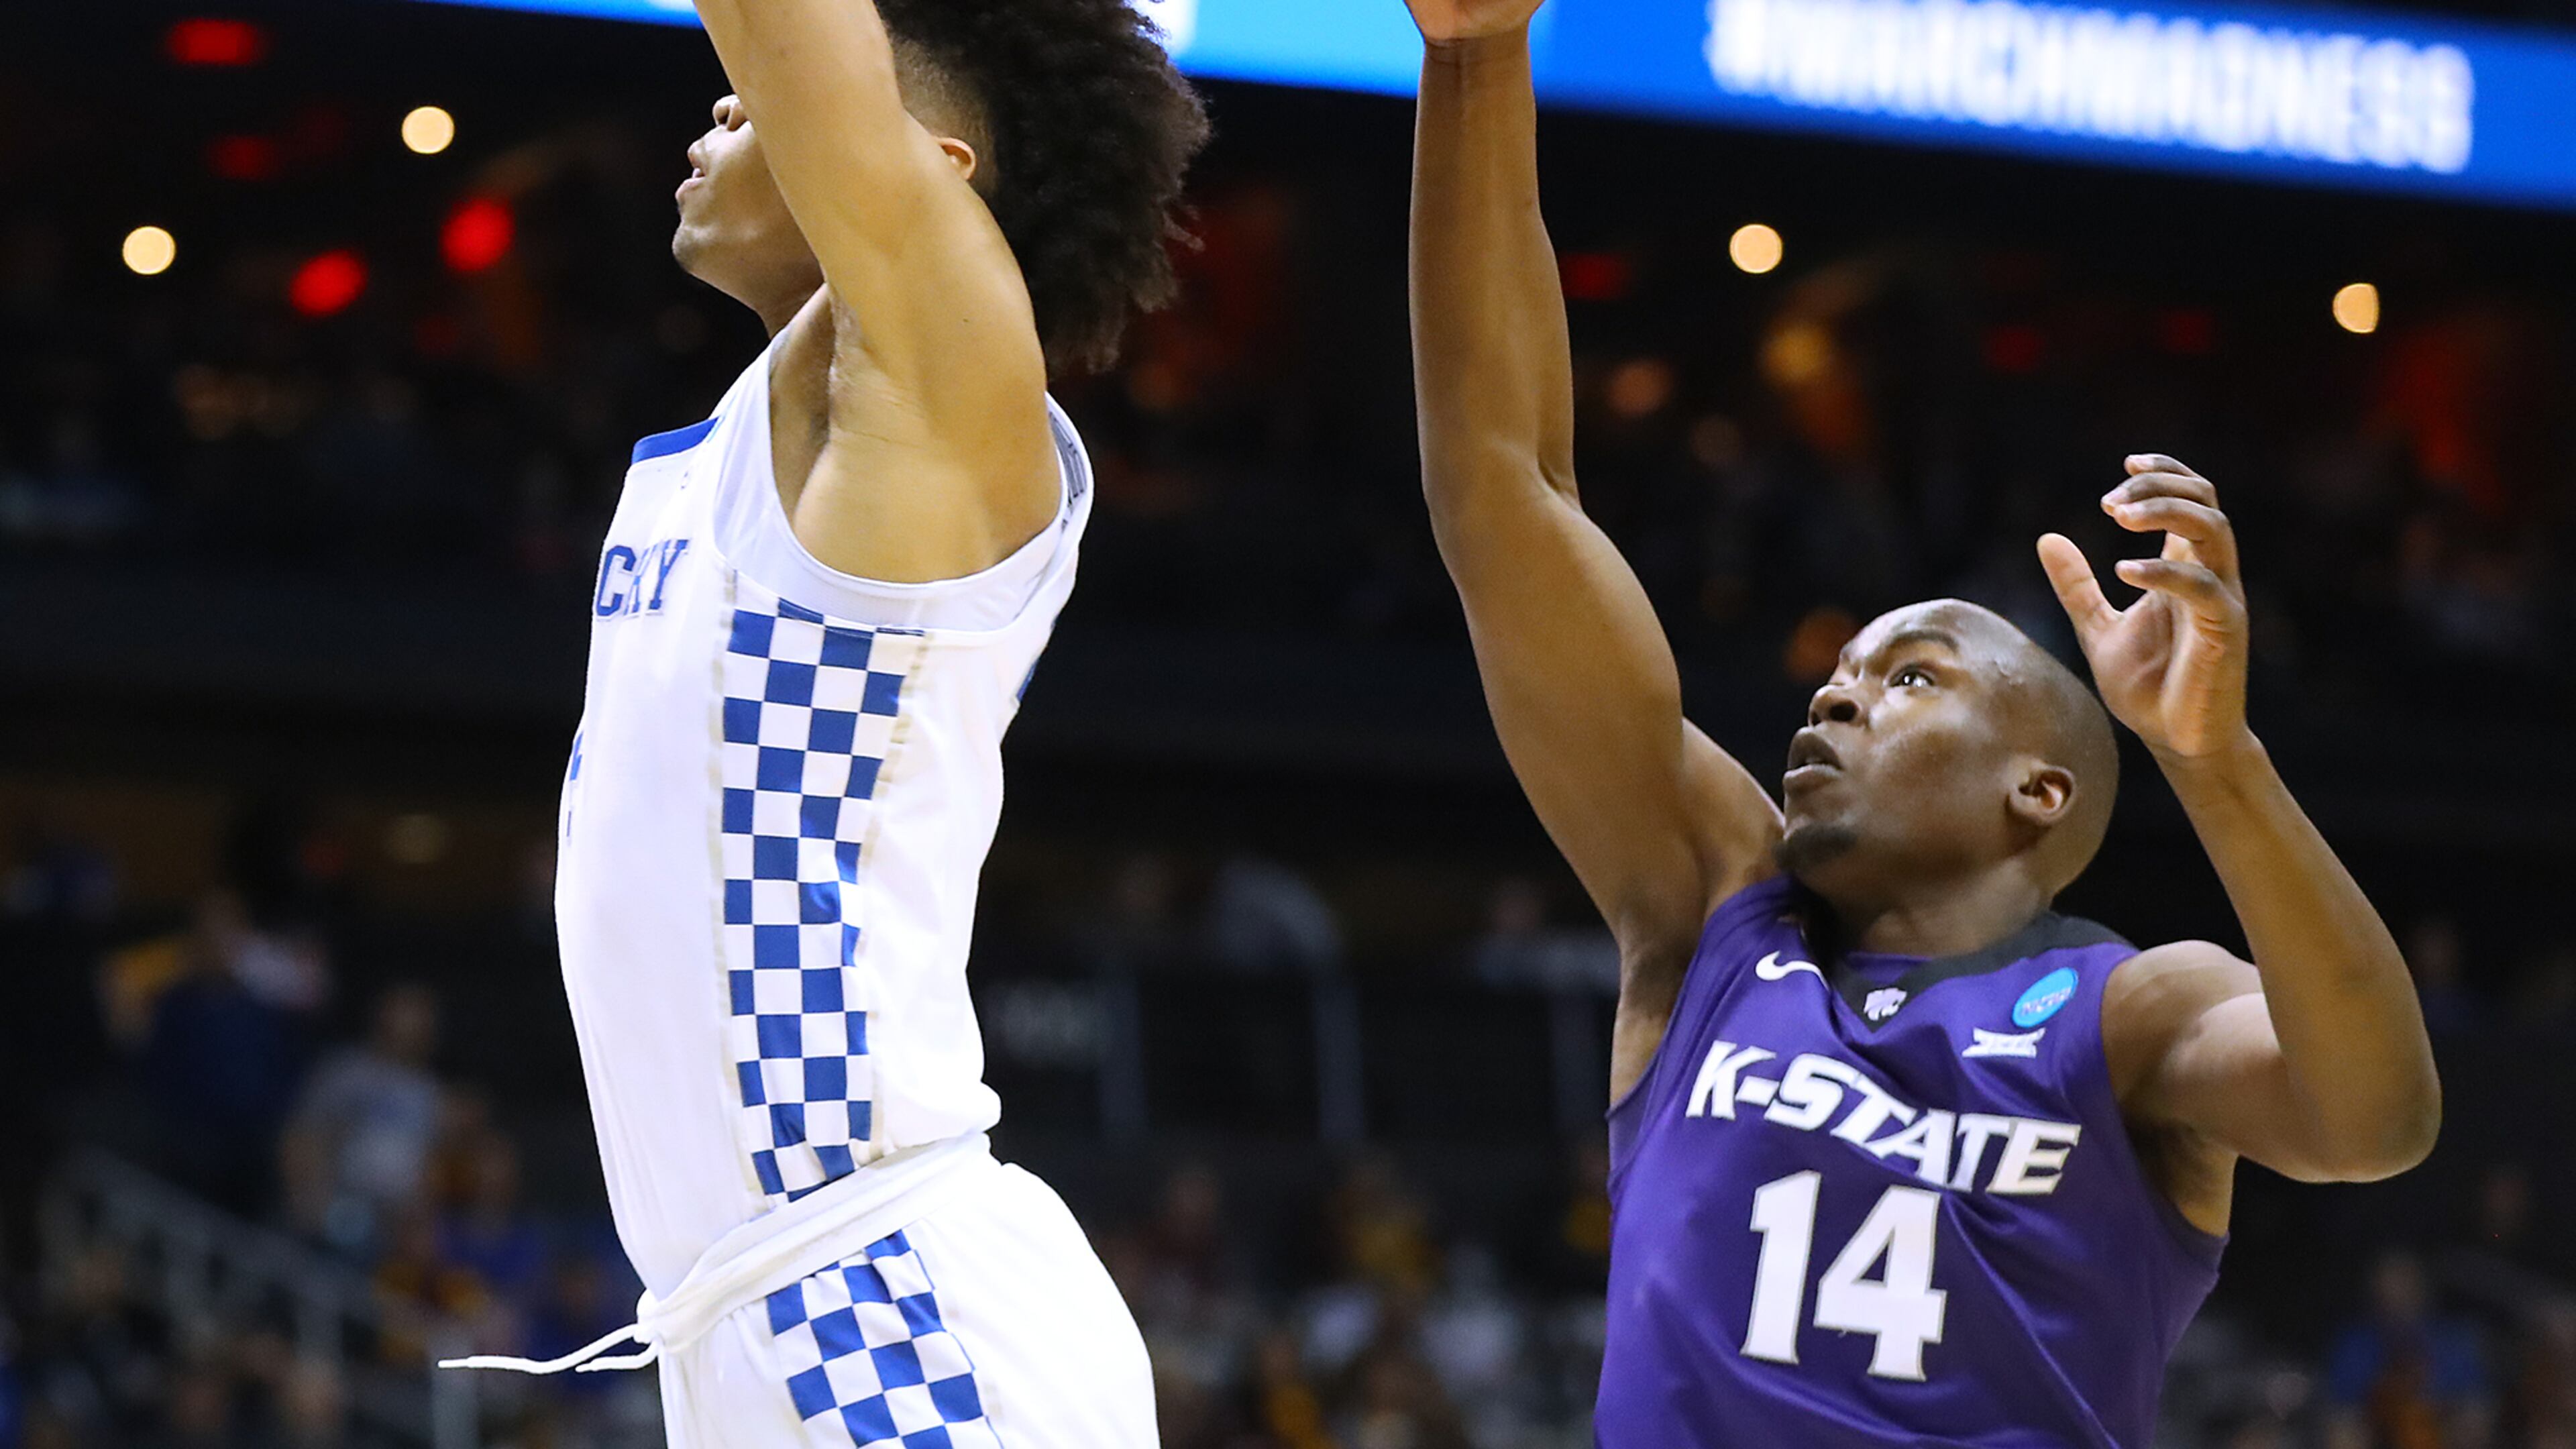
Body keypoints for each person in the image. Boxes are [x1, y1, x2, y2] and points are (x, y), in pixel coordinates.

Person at [1398, 4, 2442, 1445]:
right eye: (1844, 671)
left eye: (1911, 678)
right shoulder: (1716, 918)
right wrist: (1475, 56)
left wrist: (2217, 762)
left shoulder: (2126, 1014)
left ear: (2038, 794)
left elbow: (2376, 1120)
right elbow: (1508, 491)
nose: (1837, 690)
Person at [449, 5, 1209, 1448]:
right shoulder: (762, 437)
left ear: (935, 167)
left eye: (747, 109)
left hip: (880, 1292)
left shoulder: (935, 387)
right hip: (756, 1310)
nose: (720, 119)